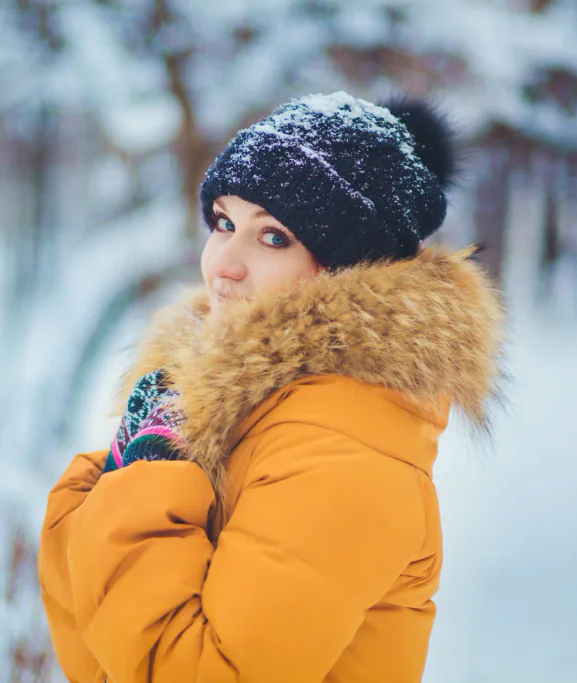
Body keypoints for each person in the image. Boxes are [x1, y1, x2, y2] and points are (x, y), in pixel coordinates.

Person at [38, 91, 504, 683]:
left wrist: (141, 484)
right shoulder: (228, 408)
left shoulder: (346, 455)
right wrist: (131, 472)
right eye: (225, 223)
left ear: (346, 270)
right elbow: (97, 652)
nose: (223, 264)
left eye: (273, 237)